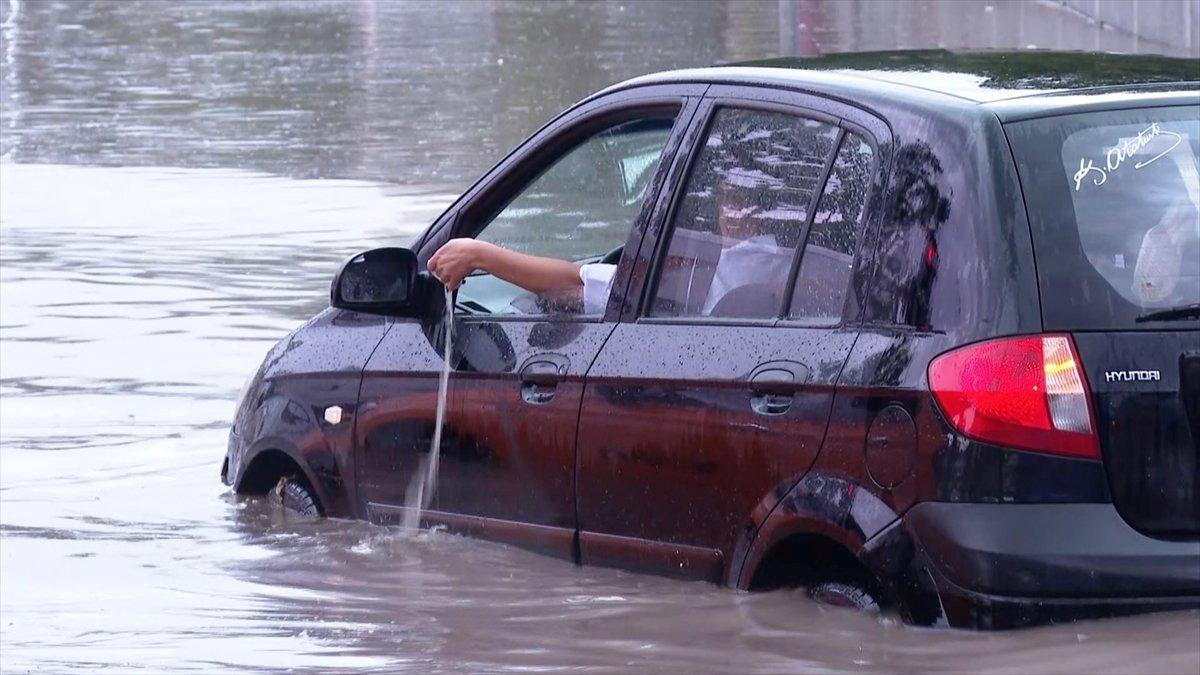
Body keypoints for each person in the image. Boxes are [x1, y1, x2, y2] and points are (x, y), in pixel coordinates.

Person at [428, 176, 795, 316]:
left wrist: (479, 254)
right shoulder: (803, 267)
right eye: (723, 199)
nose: (725, 212)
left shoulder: (704, 276)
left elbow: (574, 285)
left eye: (731, 199)